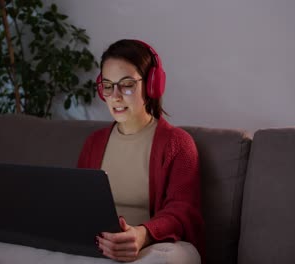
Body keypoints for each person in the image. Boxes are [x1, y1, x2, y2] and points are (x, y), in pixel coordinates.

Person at [77, 39, 205, 262]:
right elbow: (76, 202)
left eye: (126, 84)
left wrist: (142, 234)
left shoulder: (178, 143)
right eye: (107, 85)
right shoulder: (93, 143)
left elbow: (183, 211)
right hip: (96, 247)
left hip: (150, 248)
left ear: (151, 85)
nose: (115, 96)